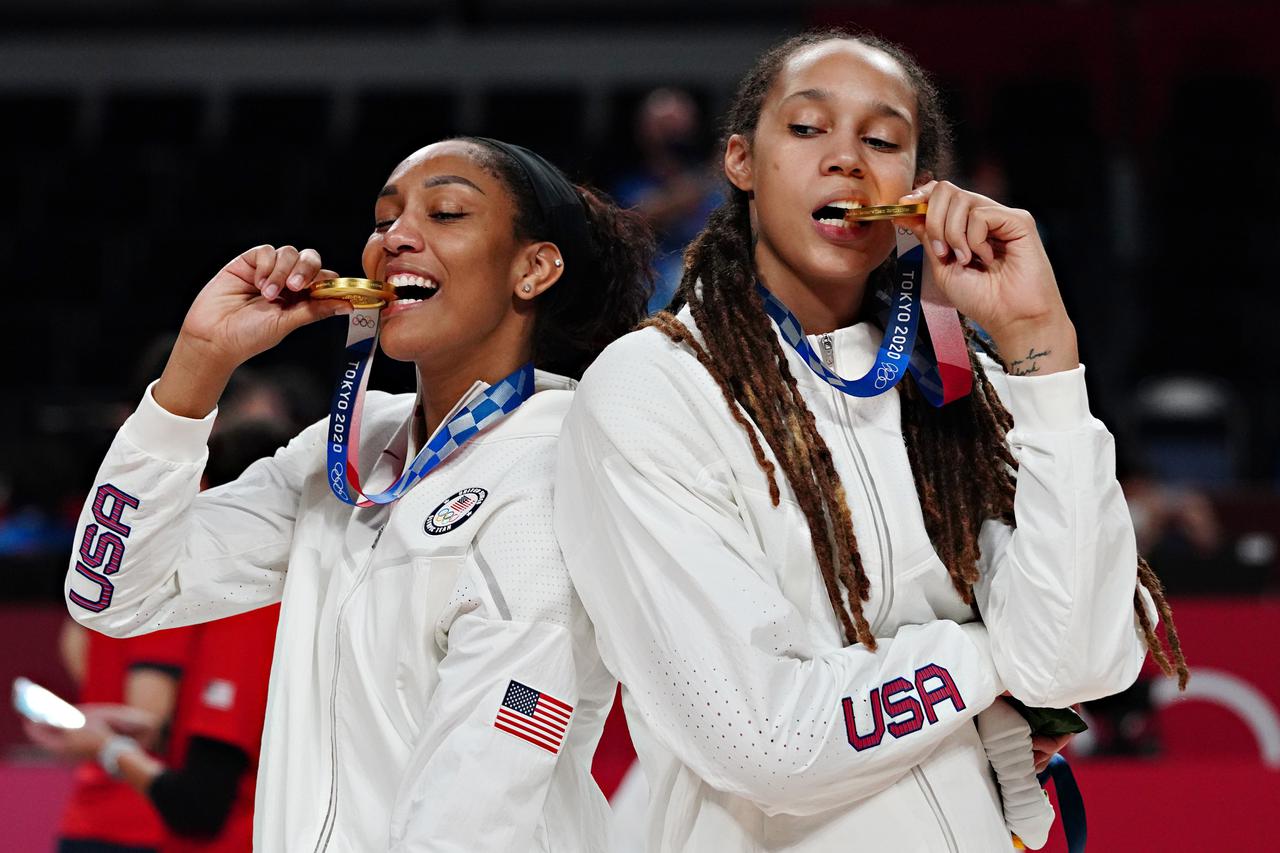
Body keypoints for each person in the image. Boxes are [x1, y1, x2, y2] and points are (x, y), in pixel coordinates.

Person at [554, 30, 1188, 851]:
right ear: (741, 162)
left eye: (882, 140)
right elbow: (765, 741)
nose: (847, 158)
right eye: (809, 128)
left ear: (917, 189)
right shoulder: (652, 387)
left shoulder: (967, 387)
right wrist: (988, 660)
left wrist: (1044, 349)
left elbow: (1086, 661)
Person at [63, 136, 655, 851]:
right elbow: (113, 591)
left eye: (445, 213)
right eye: (384, 220)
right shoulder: (346, 452)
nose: (397, 237)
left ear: (533, 268)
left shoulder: (559, 465)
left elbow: (477, 804)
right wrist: (198, 361)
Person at [29, 419, 294, 852]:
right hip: (138, 819)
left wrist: (103, 740)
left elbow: (87, 661)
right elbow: (148, 714)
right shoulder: (176, 595)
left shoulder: (101, 581)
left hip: (125, 812)